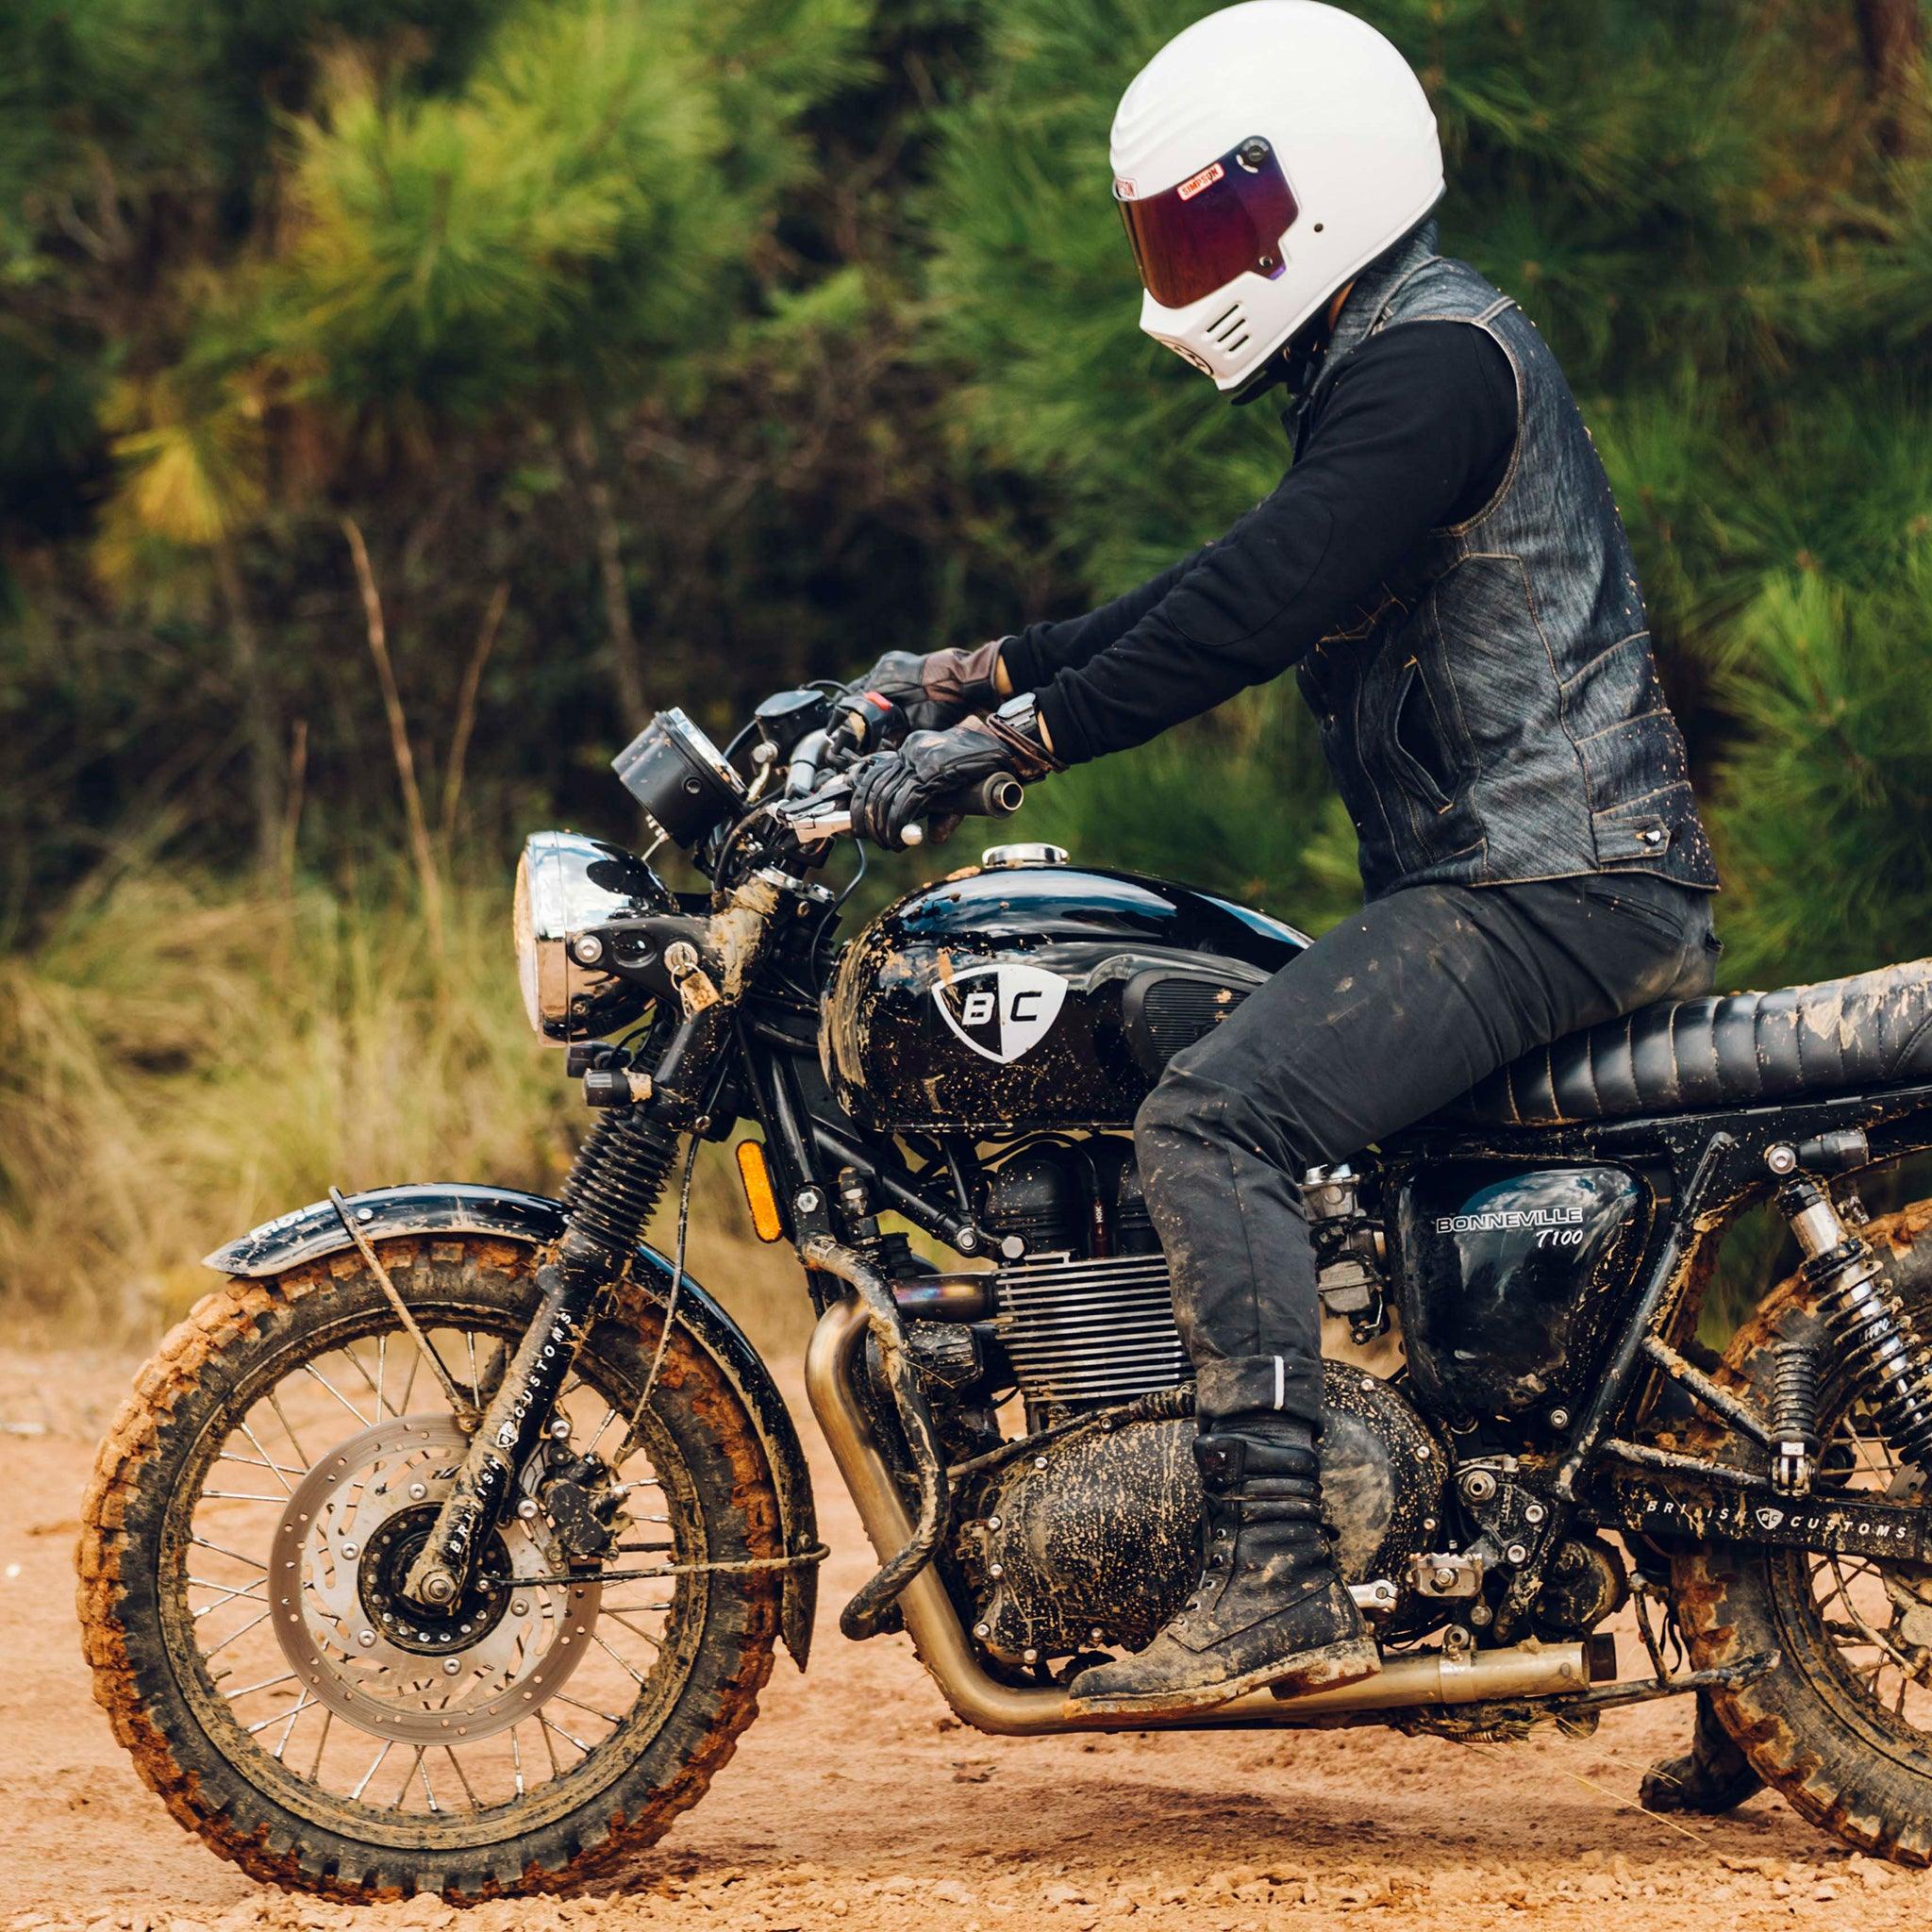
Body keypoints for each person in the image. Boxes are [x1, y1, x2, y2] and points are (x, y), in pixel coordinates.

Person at [841, 0, 1729, 1757]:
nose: (1188, 274)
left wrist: (1019, 740)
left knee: (1213, 1116)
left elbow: (1257, 601)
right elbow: (1229, 578)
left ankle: (1274, 1573)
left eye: (1212, 226)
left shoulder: (1436, 363)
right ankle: (1621, 1610)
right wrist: (974, 673)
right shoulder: (1390, 363)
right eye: (1175, 237)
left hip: (1550, 882)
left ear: (1326, 185)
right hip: (1526, 878)